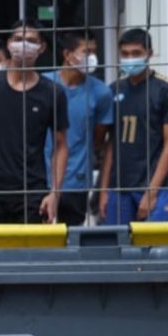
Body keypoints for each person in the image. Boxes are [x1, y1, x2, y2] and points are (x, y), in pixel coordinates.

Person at [0, 21, 69, 224]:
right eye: (18, 39)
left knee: (31, 255)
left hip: (33, 194)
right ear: (8, 44)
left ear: (42, 47)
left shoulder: (53, 92)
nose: (23, 45)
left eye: (31, 40)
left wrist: (54, 194)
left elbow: (60, 146)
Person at [99, 28, 168, 225]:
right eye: (125, 54)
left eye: (136, 53)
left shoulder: (166, 89)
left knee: (153, 250)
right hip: (118, 189)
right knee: (118, 251)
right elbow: (111, 144)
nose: (130, 59)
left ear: (149, 54)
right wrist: (103, 190)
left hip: (153, 187)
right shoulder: (113, 89)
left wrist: (151, 192)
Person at [42, 31, 114, 226]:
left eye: (94, 52)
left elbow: (99, 139)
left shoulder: (101, 93)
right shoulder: (42, 85)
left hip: (77, 181)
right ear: (67, 54)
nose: (92, 57)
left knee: (71, 240)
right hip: (40, 178)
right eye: (86, 51)